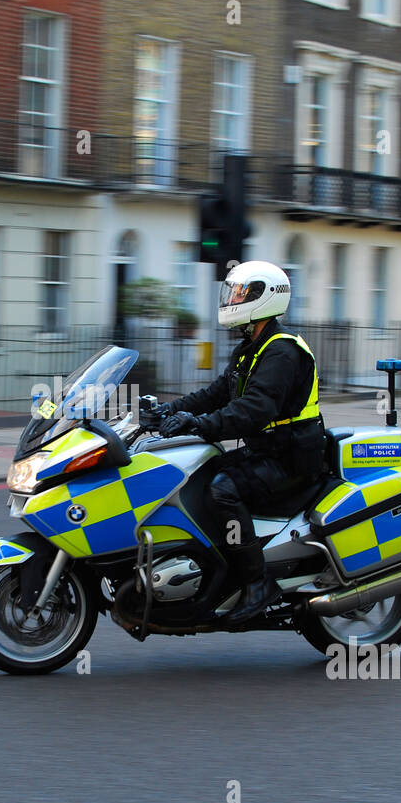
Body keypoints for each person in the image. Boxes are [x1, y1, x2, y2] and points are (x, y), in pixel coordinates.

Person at [143, 260, 324, 627]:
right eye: (233, 292)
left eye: (241, 293)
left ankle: (258, 584)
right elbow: (216, 394)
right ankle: (216, 568)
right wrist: (169, 411)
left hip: (291, 456)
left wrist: (198, 424)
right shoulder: (251, 347)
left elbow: (253, 411)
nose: (233, 299)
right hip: (268, 449)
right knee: (196, 475)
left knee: (222, 490)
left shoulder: (282, 351)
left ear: (264, 297)